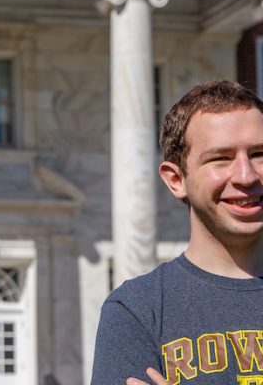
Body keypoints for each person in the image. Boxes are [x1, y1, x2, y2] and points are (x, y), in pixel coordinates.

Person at [91, 80, 263, 385]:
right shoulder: (137, 310)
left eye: (259, 153)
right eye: (220, 158)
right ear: (175, 179)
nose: (247, 176)